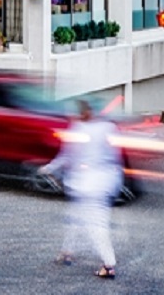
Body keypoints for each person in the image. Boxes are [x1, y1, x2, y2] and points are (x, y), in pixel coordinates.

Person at [39, 99, 122, 279]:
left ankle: (109, 265)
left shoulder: (78, 130)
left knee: (96, 225)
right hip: (104, 182)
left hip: (88, 185)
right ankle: (67, 252)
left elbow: (66, 156)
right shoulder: (108, 127)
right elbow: (115, 157)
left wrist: (48, 168)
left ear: (82, 113)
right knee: (74, 218)